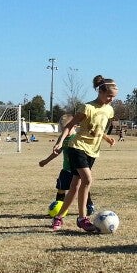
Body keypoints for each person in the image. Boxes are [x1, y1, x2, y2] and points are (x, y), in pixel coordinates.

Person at [50, 75, 118, 232]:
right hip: (77, 147)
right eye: (109, 96)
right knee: (87, 180)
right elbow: (70, 126)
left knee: (75, 186)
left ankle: (58, 217)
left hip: (93, 151)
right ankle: (82, 218)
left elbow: (97, 129)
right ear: (100, 91)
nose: (111, 100)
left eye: (113, 97)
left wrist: (107, 138)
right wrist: (60, 142)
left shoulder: (109, 110)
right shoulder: (88, 107)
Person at [39, 115, 98, 219]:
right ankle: (58, 209)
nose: (64, 132)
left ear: (74, 126)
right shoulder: (62, 139)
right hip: (66, 169)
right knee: (61, 189)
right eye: (62, 129)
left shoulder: (77, 138)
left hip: (78, 170)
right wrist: (45, 161)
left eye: (67, 129)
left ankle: (89, 205)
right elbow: (56, 152)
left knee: (83, 188)